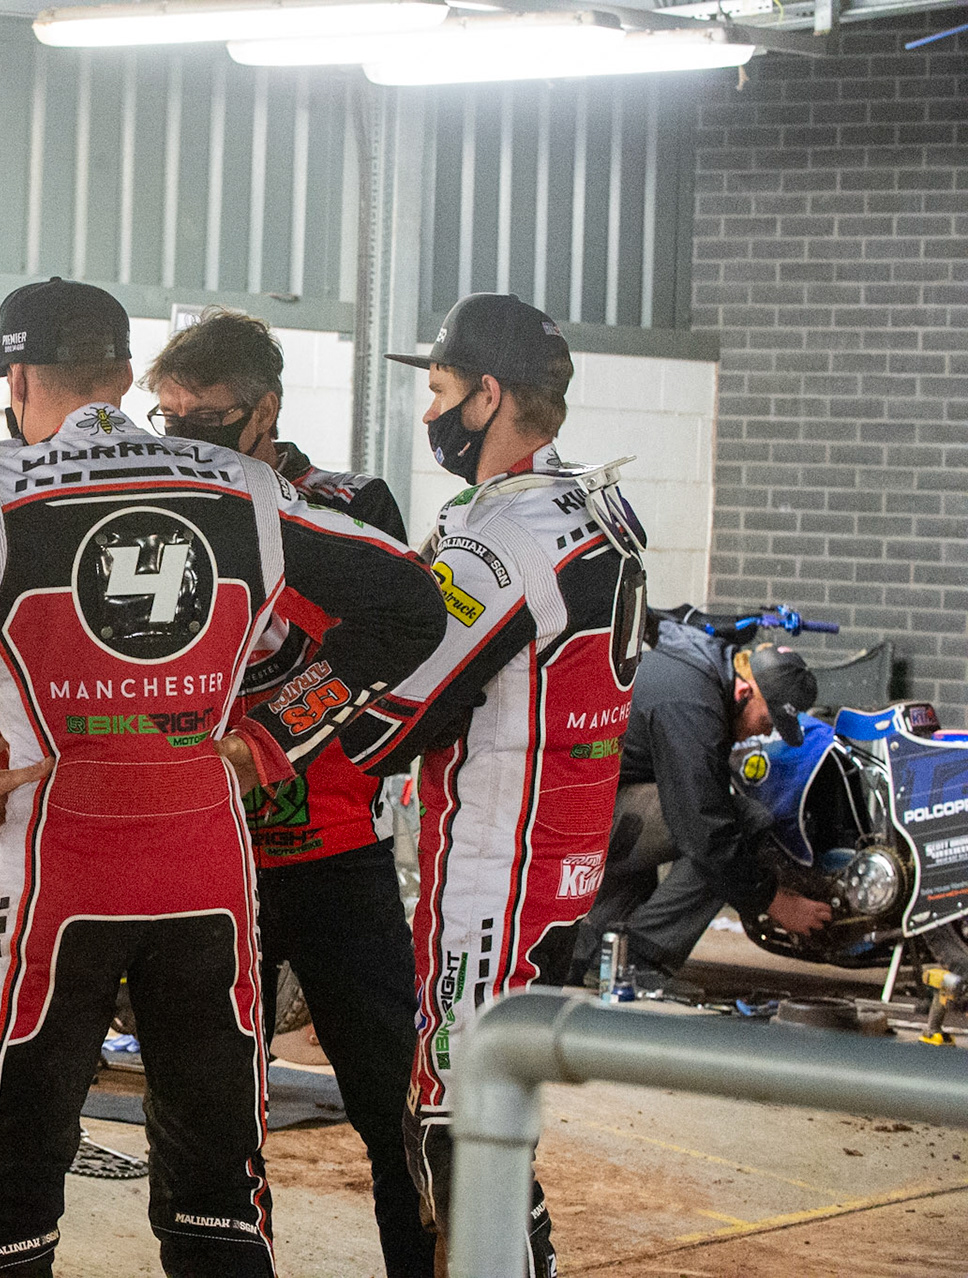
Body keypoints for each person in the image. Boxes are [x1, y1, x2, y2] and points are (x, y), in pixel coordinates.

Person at [0, 277, 448, 1278]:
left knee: (10, 1181)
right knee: (215, 1185)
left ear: (19, 379)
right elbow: (411, 608)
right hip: (206, 876)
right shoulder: (244, 486)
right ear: (122, 371)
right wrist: (271, 738)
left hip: (55, 879)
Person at [337, 293, 651, 1276]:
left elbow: (398, 710)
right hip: (563, 853)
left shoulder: (498, 537)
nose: (425, 412)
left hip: (493, 872)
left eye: (436, 390)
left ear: (487, 394)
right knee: (491, 1119)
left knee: (456, 1126)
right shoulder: (602, 503)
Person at [145, 306, 435, 1278]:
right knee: (206, 1123)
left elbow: (400, 645)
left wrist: (269, 739)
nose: (186, 439)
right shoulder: (161, 510)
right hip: (208, 861)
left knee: (397, 1107)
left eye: (209, 419)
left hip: (339, 850)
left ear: (265, 408)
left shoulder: (349, 506)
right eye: (167, 418)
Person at [570, 627, 831, 989]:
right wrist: (774, 901)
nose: (757, 734)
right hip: (573, 817)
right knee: (736, 822)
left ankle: (586, 955)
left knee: (672, 819)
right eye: (765, 721)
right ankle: (640, 961)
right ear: (744, 692)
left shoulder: (702, 672)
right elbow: (705, 832)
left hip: (581, 803)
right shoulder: (694, 706)